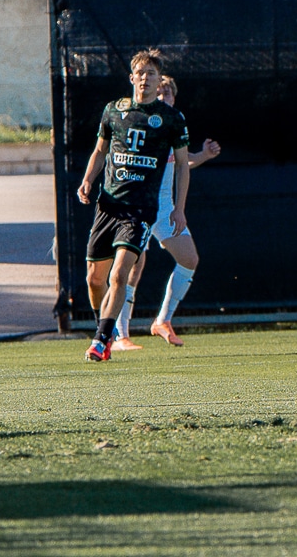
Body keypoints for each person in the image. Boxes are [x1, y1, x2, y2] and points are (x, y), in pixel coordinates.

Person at [76, 50, 190, 363]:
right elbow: (100, 151)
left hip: (140, 211)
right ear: (132, 78)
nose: (145, 78)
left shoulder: (170, 119)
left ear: (158, 80)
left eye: (151, 73)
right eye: (140, 73)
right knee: (94, 281)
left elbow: (183, 164)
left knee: (119, 276)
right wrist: (87, 180)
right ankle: (106, 328)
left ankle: (101, 341)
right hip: (108, 207)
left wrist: (179, 208)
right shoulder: (114, 110)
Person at [112, 74, 219, 351]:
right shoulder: (141, 119)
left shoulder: (175, 121)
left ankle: (162, 321)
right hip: (138, 205)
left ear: (174, 97)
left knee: (189, 259)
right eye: (158, 94)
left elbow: (182, 161)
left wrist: (204, 155)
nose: (163, 98)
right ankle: (120, 335)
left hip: (165, 207)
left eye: (167, 94)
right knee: (133, 268)